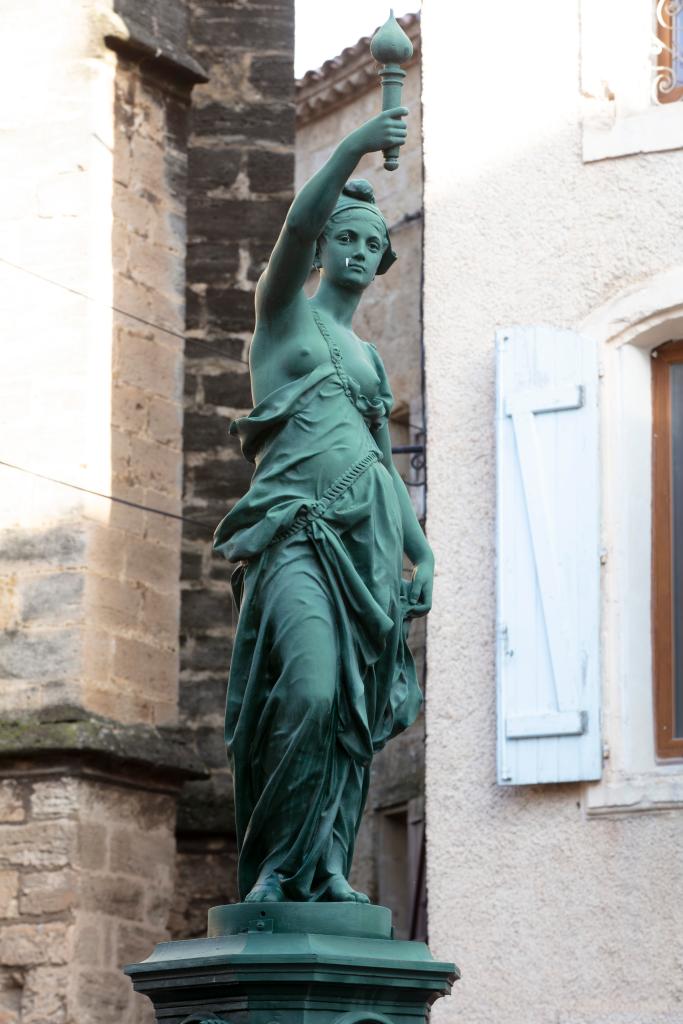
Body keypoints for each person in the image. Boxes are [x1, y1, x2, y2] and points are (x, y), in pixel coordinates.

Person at [214, 106, 434, 904]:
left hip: (370, 537)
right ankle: (276, 864)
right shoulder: (283, 320)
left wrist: (424, 551)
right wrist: (353, 148)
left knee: (351, 712)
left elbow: (380, 462)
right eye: (346, 236)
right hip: (297, 535)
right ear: (322, 247)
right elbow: (298, 223)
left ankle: (329, 867)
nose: (357, 248)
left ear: (381, 264)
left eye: (372, 245)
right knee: (306, 692)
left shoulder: (370, 359)